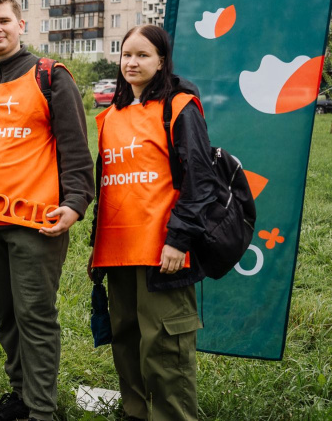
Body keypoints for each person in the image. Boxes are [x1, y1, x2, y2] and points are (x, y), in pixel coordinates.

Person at [0, 0, 94, 421]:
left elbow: (74, 147)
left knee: (35, 317)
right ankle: (21, 396)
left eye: (4, 21)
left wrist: (75, 203)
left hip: (35, 223)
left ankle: (42, 412)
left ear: (21, 25)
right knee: (7, 316)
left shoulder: (50, 76)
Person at [89, 24, 212, 421]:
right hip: (115, 253)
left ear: (162, 61)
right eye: (126, 54)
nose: (132, 62)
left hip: (163, 251)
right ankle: (136, 413)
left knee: (165, 346)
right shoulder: (109, 117)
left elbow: (200, 178)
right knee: (126, 340)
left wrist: (179, 239)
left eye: (143, 55)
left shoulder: (179, 107)